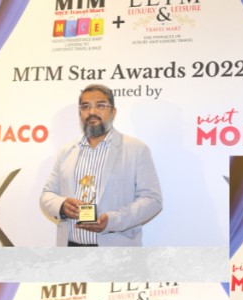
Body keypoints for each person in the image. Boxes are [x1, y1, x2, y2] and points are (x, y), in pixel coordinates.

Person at [40, 83, 162, 246]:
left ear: (113, 112)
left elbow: (152, 200)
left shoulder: (136, 149)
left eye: (100, 106)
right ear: (80, 113)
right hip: (70, 248)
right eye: (85, 107)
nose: (92, 112)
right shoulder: (66, 151)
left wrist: (113, 220)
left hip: (116, 250)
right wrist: (61, 205)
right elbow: (47, 194)